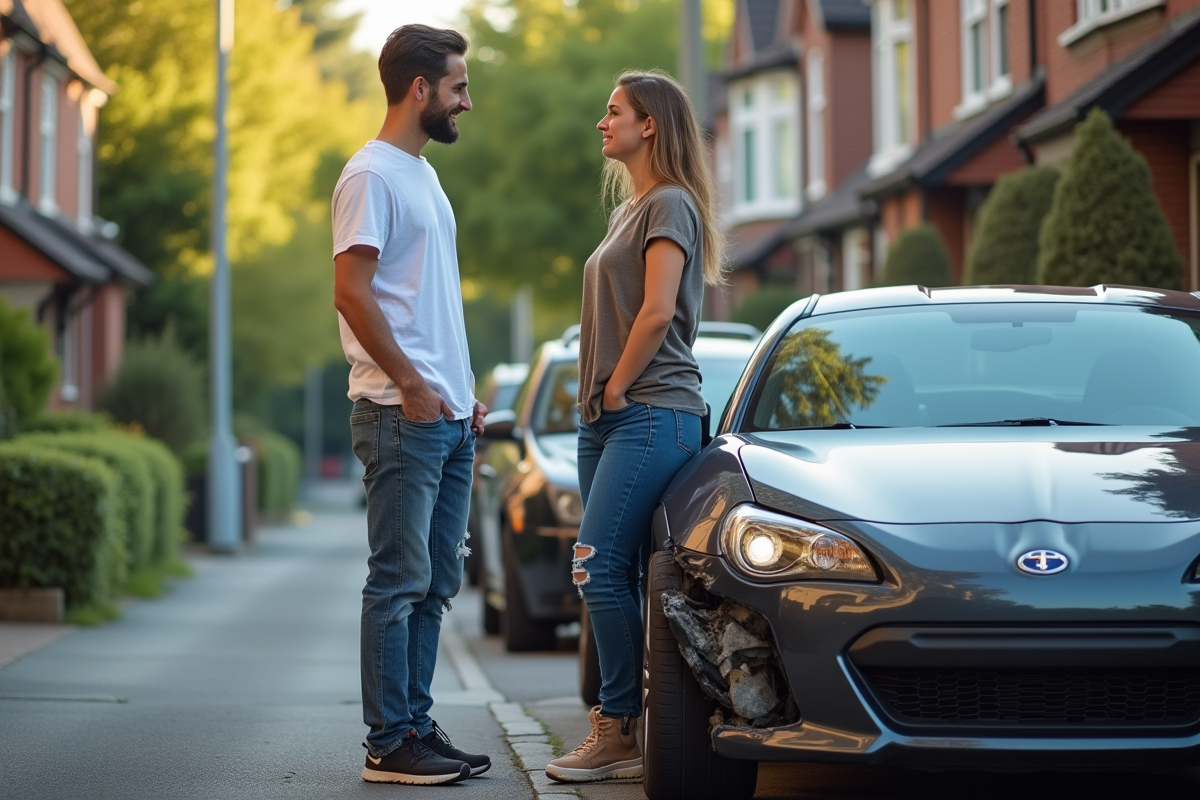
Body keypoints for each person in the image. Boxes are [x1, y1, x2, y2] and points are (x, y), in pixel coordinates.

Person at [545, 70, 726, 783]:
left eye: (613, 111)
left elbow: (655, 311)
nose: (602, 122)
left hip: (651, 413)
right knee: (611, 573)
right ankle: (633, 725)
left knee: (594, 567)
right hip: (612, 418)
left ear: (650, 124)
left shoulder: (672, 205)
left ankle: (617, 729)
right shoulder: (632, 210)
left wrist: (616, 384)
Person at [331, 24, 490, 786]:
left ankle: (416, 726)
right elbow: (351, 293)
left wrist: (461, 391)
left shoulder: (423, 176)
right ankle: (388, 741)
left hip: (445, 417)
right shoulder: (372, 175)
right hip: (400, 415)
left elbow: (427, 304)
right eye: (458, 86)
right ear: (420, 89)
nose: (468, 99)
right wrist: (416, 386)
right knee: (397, 580)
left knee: (434, 582)